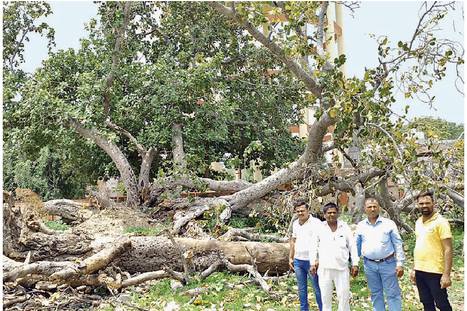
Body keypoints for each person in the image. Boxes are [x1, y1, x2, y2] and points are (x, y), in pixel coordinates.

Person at [355, 197, 405, 311]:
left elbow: (398, 243)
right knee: (375, 293)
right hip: (369, 265)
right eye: (369, 207)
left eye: (375, 207)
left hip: (388, 263)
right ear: (364, 209)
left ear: (379, 208)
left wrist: (400, 263)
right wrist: (355, 263)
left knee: (392, 294)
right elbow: (357, 245)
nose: (372, 209)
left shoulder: (389, 224)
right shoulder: (361, 226)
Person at [310, 202, 358, 311]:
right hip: (324, 269)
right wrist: (312, 263)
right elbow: (313, 246)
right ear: (324, 214)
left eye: (334, 212)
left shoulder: (344, 227)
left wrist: (355, 264)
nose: (331, 215)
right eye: (329, 213)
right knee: (326, 299)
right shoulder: (319, 228)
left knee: (343, 298)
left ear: (338, 213)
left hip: (342, 269)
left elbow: (352, 246)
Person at [410, 191, 453, 311]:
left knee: (442, 304)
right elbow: (419, 246)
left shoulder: (441, 222)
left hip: (435, 272)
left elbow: (448, 249)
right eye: (421, 203)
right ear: (417, 204)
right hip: (420, 271)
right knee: (426, 303)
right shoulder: (418, 222)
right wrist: (414, 268)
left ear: (433, 203)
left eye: (427, 203)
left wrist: (446, 274)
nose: (424, 206)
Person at [289, 202, 323, 311]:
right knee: (301, 289)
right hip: (298, 261)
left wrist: (318, 259)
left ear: (308, 210)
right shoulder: (295, 224)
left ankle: (323, 308)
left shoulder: (316, 223)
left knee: (317, 288)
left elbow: (322, 241)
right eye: (298, 211)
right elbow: (293, 241)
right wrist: (291, 257)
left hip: (312, 261)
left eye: (302, 210)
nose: (300, 213)